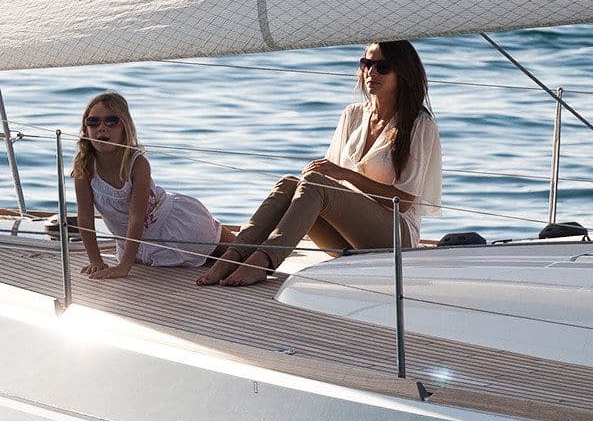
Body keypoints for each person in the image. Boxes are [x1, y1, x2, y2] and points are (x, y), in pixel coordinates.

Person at [198, 40, 442, 287]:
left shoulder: (419, 124)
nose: (371, 72)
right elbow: (328, 180)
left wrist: (347, 175)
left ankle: (262, 263)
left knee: (314, 184)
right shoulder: (353, 114)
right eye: (366, 64)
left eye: (382, 67)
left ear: (403, 73)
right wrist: (323, 176)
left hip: (395, 239)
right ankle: (233, 255)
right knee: (289, 184)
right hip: (347, 237)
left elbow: (404, 202)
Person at [72, 91, 223, 278]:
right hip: (133, 242)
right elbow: (85, 217)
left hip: (173, 228)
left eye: (111, 121)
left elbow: (136, 218)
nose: (101, 128)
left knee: (231, 251)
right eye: (93, 122)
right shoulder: (85, 164)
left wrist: (124, 267)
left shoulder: (137, 164)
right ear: (85, 127)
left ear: (125, 127)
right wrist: (96, 260)